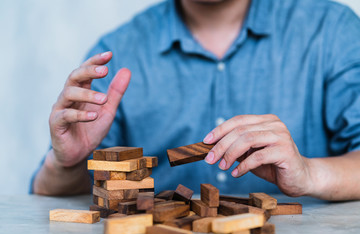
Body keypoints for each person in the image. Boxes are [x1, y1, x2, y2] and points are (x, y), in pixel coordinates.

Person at [32, 0, 360, 200]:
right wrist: (68, 164)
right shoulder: (117, 52)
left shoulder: (331, 30)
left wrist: (310, 173)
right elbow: (61, 199)